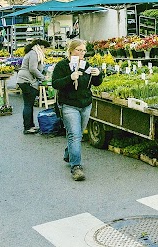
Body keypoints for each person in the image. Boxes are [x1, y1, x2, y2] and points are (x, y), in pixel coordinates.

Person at [52, 39, 103, 181]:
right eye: (78, 50)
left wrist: (98, 74)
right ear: (71, 50)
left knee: (78, 134)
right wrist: (70, 77)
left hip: (85, 104)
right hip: (69, 105)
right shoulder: (62, 66)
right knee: (74, 135)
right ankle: (76, 167)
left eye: (84, 50)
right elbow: (55, 83)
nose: (82, 53)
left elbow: (96, 83)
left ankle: (69, 153)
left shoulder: (86, 65)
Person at [17, 39, 50, 134]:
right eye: (45, 49)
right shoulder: (34, 53)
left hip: (25, 80)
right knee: (28, 104)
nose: (45, 51)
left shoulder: (33, 53)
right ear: (41, 47)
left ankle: (30, 126)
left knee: (29, 104)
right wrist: (43, 78)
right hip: (27, 81)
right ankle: (27, 127)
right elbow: (32, 69)